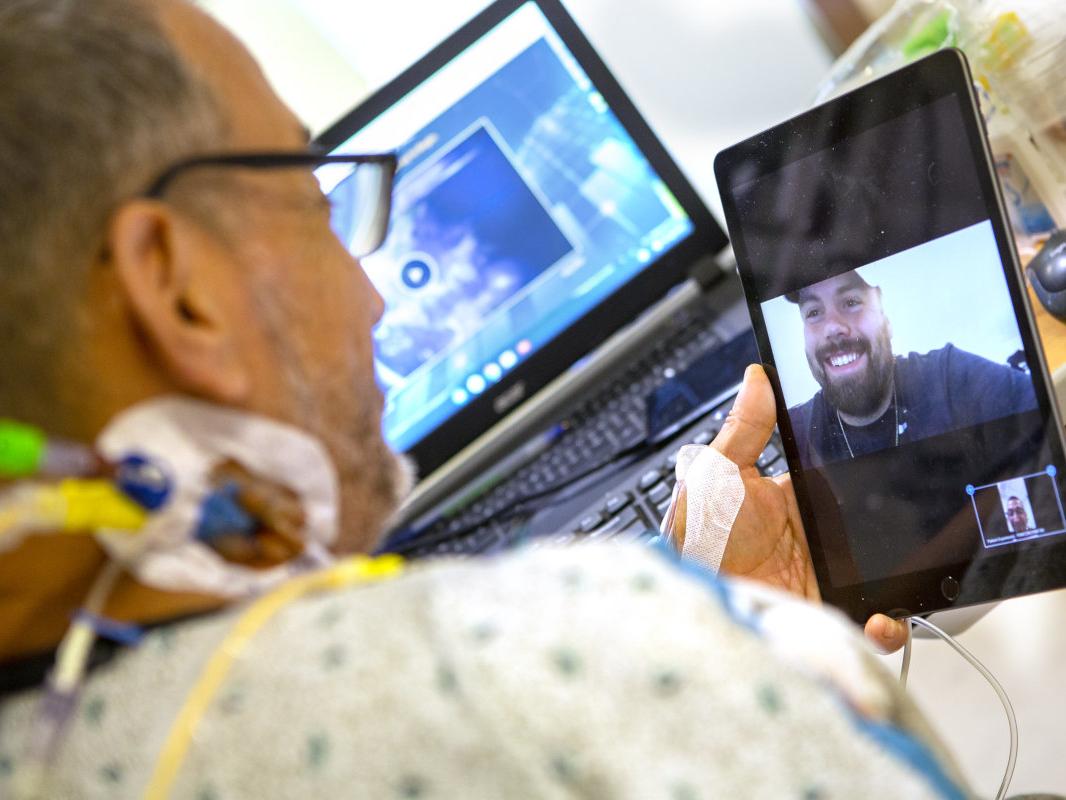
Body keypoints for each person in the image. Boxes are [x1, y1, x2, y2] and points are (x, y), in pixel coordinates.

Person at [0, 2, 957, 798]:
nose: (373, 295)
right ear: (180, 293)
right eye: (314, 196)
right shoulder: (549, 668)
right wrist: (724, 649)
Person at [786, 270, 1037, 466]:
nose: (833, 327)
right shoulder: (797, 431)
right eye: (814, 312)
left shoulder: (950, 376)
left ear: (887, 321)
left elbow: (1044, 428)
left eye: (851, 302)